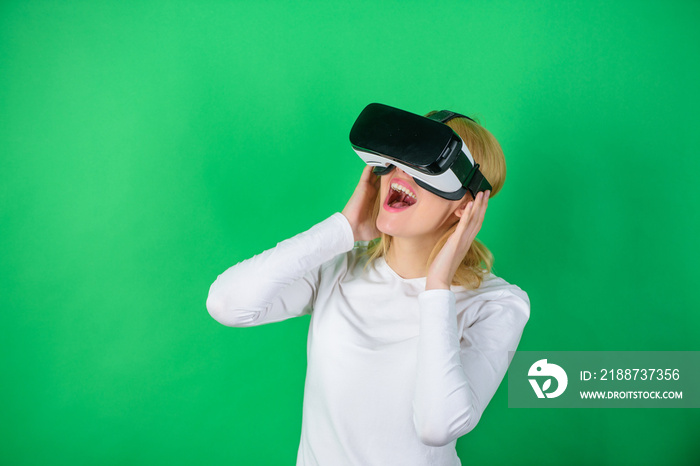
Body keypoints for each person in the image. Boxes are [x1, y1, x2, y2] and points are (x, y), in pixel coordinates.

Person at [206, 110, 530, 466]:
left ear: (464, 206)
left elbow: (438, 426)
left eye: (425, 163)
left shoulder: (497, 304)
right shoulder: (340, 267)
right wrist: (343, 228)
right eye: (397, 157)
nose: (400, 171)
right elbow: (227, 304)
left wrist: (437, 288)